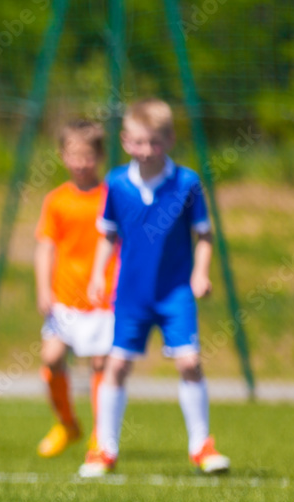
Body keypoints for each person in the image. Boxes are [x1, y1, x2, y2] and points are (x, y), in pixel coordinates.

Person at [81, 98, 230, 477]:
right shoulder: (116, 182)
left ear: (170, 139)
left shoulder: (187, 183)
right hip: (131, 293)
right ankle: (104, 449)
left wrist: (200, 272)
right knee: (116, 366)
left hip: (175, 291)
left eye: (155, 143)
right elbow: (107, 236)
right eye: (138, 143)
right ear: (126, 141)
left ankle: (202, 446)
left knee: (190, 362)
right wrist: (99, 274)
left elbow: (205, 235)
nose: (146, 151)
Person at [33, 120, 115, 458]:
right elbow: (45, 246)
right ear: (63, 156)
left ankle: (101, 434)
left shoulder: (113, 197)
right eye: (74, 154)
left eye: (88, 155)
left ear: (100, 156)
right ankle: (67, 423)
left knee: (101, 364)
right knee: (51, 358)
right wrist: (43, 289)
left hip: (104, 298)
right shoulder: (56, 201)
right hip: (65, 298)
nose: (81, 162)